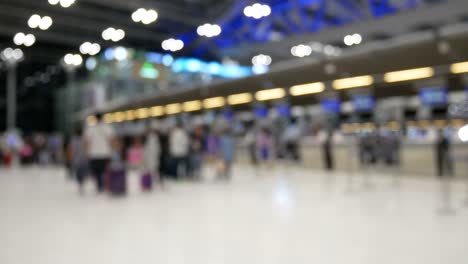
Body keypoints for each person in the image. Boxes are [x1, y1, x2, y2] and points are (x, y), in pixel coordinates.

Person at [83, 112, 115, 193]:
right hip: (105, 153)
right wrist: (113, 150)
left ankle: (99, 185)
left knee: (96, 171)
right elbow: (111, 140)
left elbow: (87, 142)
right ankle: (104, 185)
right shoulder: (107, 127)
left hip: (94, 154)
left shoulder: (90, 128)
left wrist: (85, 152)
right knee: (105, 171)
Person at [69, 126, 87, 194]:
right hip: (83, 158)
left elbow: (72, 149)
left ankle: (80, 184)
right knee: (82, 172)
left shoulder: (73, 139)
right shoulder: (84, 138)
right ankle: (81, 183)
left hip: (77, 159)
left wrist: (71, 157)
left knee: (78, 172)